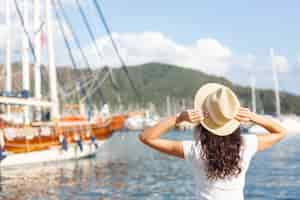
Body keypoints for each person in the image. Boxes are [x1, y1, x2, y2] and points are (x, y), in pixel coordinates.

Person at [139, 83, 287, 200]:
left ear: (204, 121)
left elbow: (146, 137)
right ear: (232, 119)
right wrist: (254, 117)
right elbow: (281, 132)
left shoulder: (195, 150)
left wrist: (180, 118)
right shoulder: (246, 145)